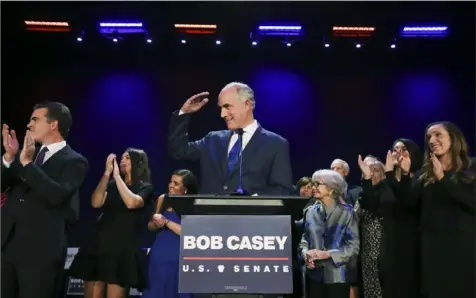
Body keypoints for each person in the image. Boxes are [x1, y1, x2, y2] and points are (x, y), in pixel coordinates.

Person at [1, 101, 88, 298]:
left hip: (40, 252)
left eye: (35, 119)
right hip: (7, 247)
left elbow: (56, 194)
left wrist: (26, 163)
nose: (28, 125)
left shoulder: (74, 161)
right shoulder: (26, 156)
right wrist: (9, 157)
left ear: (53, 124)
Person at [168, 82, 293, 195]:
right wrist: (184, 113)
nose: (223, 114)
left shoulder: (275, 144)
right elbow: (179, 151)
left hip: (250, 219)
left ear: (247, 105)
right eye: (221, 108)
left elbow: (282, 190)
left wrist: (254, 202)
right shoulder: (213, 139)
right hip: (210, 217)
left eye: (228, 107)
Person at [397, 121, 475, 298]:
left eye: (438, 134)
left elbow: (472, 201)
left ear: (454, 139)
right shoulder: (424, 174)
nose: (432, 140)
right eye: (429, 137)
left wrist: (443, 179)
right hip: (431, 249)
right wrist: (404, 174)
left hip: (463, 249)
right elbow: (409, 204)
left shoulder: (471, 168)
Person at [69, 148, 154, 298]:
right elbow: (95, 202)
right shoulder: (112, 184)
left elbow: (132, 203)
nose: (122, 160)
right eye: (122, 157)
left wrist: (117, 177)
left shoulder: (145, 187)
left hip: (121, 250)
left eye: (127, 158)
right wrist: (107, 174)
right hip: (98, 245)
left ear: (138, 162)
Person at [299, 169, 360, 298]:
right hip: (314, 276)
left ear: (332, 189)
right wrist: (306, 255)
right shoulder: (310, 212)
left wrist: (327, 254)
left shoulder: (347, 213)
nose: (313, 187)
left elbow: (353, 247)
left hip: (337, 277)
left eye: (318, 184)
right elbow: (304, 240)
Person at [142, 169, 199, 298]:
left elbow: (189, 233)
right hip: (159, 254)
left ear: (185, 189)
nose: (171, 185)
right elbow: (150, 227)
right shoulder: (163, 198)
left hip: (181, 256)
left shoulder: (193, 203)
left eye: (176, 183)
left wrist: (166, 222)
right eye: (170, 181)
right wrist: (156, 223)